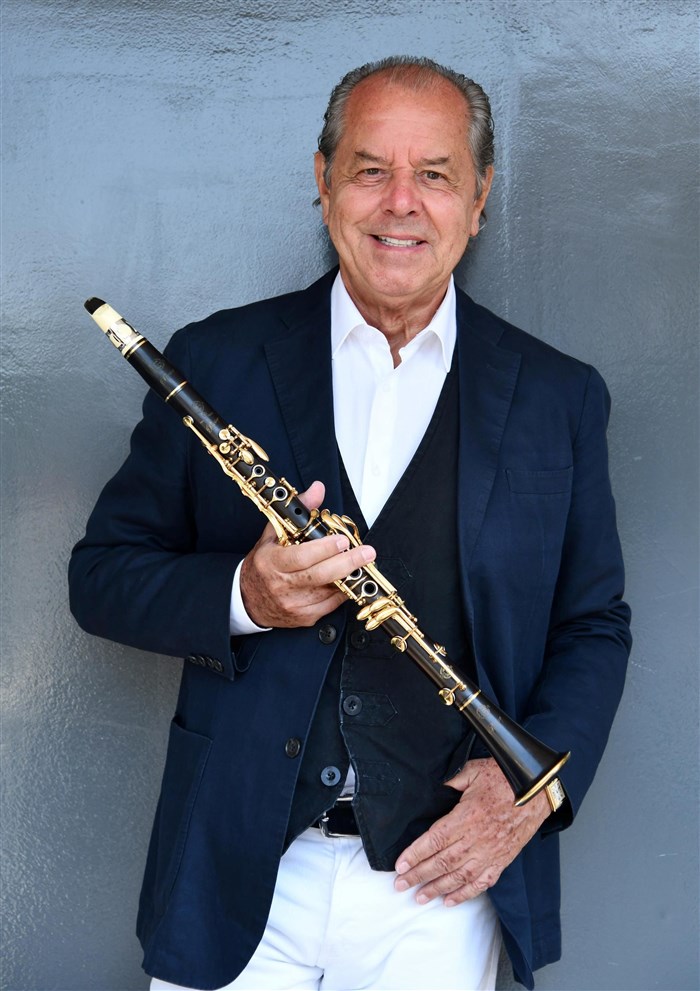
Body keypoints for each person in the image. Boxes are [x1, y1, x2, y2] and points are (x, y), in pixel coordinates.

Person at [69, 56, 631, 991]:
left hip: (440, 891)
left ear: (479, 198)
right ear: (324, 182)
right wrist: (245, 595)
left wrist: (529, 791)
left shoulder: (557, 396)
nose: (400, 202)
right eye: (371, 169)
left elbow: (593, 625)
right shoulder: (216, 358)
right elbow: (101, 577)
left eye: (435, 174)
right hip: (238, 874)